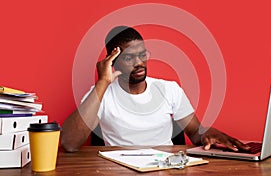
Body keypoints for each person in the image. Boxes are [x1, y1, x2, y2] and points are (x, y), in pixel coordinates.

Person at [61, 26, 250, 152]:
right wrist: (102, 82)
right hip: (119, 169)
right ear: (113, 61)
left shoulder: (169, 89)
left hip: (165, 168)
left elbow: (195, 133)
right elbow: (69, 143)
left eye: (142, 55)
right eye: (129, 58)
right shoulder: (100, 95)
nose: (139, 63)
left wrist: (210, 134)